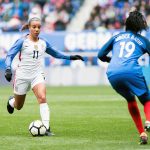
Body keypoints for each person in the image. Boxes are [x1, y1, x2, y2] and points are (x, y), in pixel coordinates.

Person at [5, 17, 84, 136]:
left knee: (42, 97)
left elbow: (56, 53)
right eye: (34, 27)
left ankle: (46, 128)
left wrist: (71, 57)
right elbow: (9, 55)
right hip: (22, 76)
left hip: (37, 74)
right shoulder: (22, 41)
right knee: (18, 106)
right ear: (29, 28)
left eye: (38, 27)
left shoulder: (43, 43)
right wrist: (7, 68)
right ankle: (12, 102)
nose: (37, 29)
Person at [98, 10, 150, 144]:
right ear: (140, 26)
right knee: (146, 100)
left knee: (130, 99)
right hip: (131, 71)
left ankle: (142, 134)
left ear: (126, 24)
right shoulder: (143, 40)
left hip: (113, 73)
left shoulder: (117, 37)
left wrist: (112, 60)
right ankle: (148, 121)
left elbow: (100, 55)